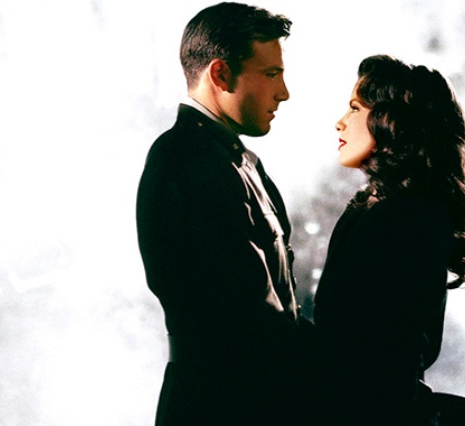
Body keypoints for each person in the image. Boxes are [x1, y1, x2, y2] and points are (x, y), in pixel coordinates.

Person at [136, 3, 312, 425]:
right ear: (220, 74)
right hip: (222, 406)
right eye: (271, 74)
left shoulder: (235, 160)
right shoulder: (188, 161)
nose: (283, 92)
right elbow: (248, 316)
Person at [311, 55, 465, 426]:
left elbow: (379, 353)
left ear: (391, 122)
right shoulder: (381, 206)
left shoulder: (406, 216)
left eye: (355, 108)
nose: (340, 122)